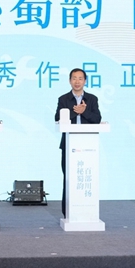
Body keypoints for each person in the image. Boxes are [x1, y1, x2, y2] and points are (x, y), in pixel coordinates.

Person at [55, 68, 101, 217]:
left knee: (87, 178)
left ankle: (87, 210)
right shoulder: (63, 99)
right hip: (69, 145)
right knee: (69, 177)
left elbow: (97, 119)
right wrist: (75, 111)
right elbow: (58, 118)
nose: (77, 81)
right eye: (74, 78)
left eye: (80, 78)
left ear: (85, 81)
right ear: (70, 81)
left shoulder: (92, 99)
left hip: (88, 145)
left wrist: (84, 111)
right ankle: (67, 212)